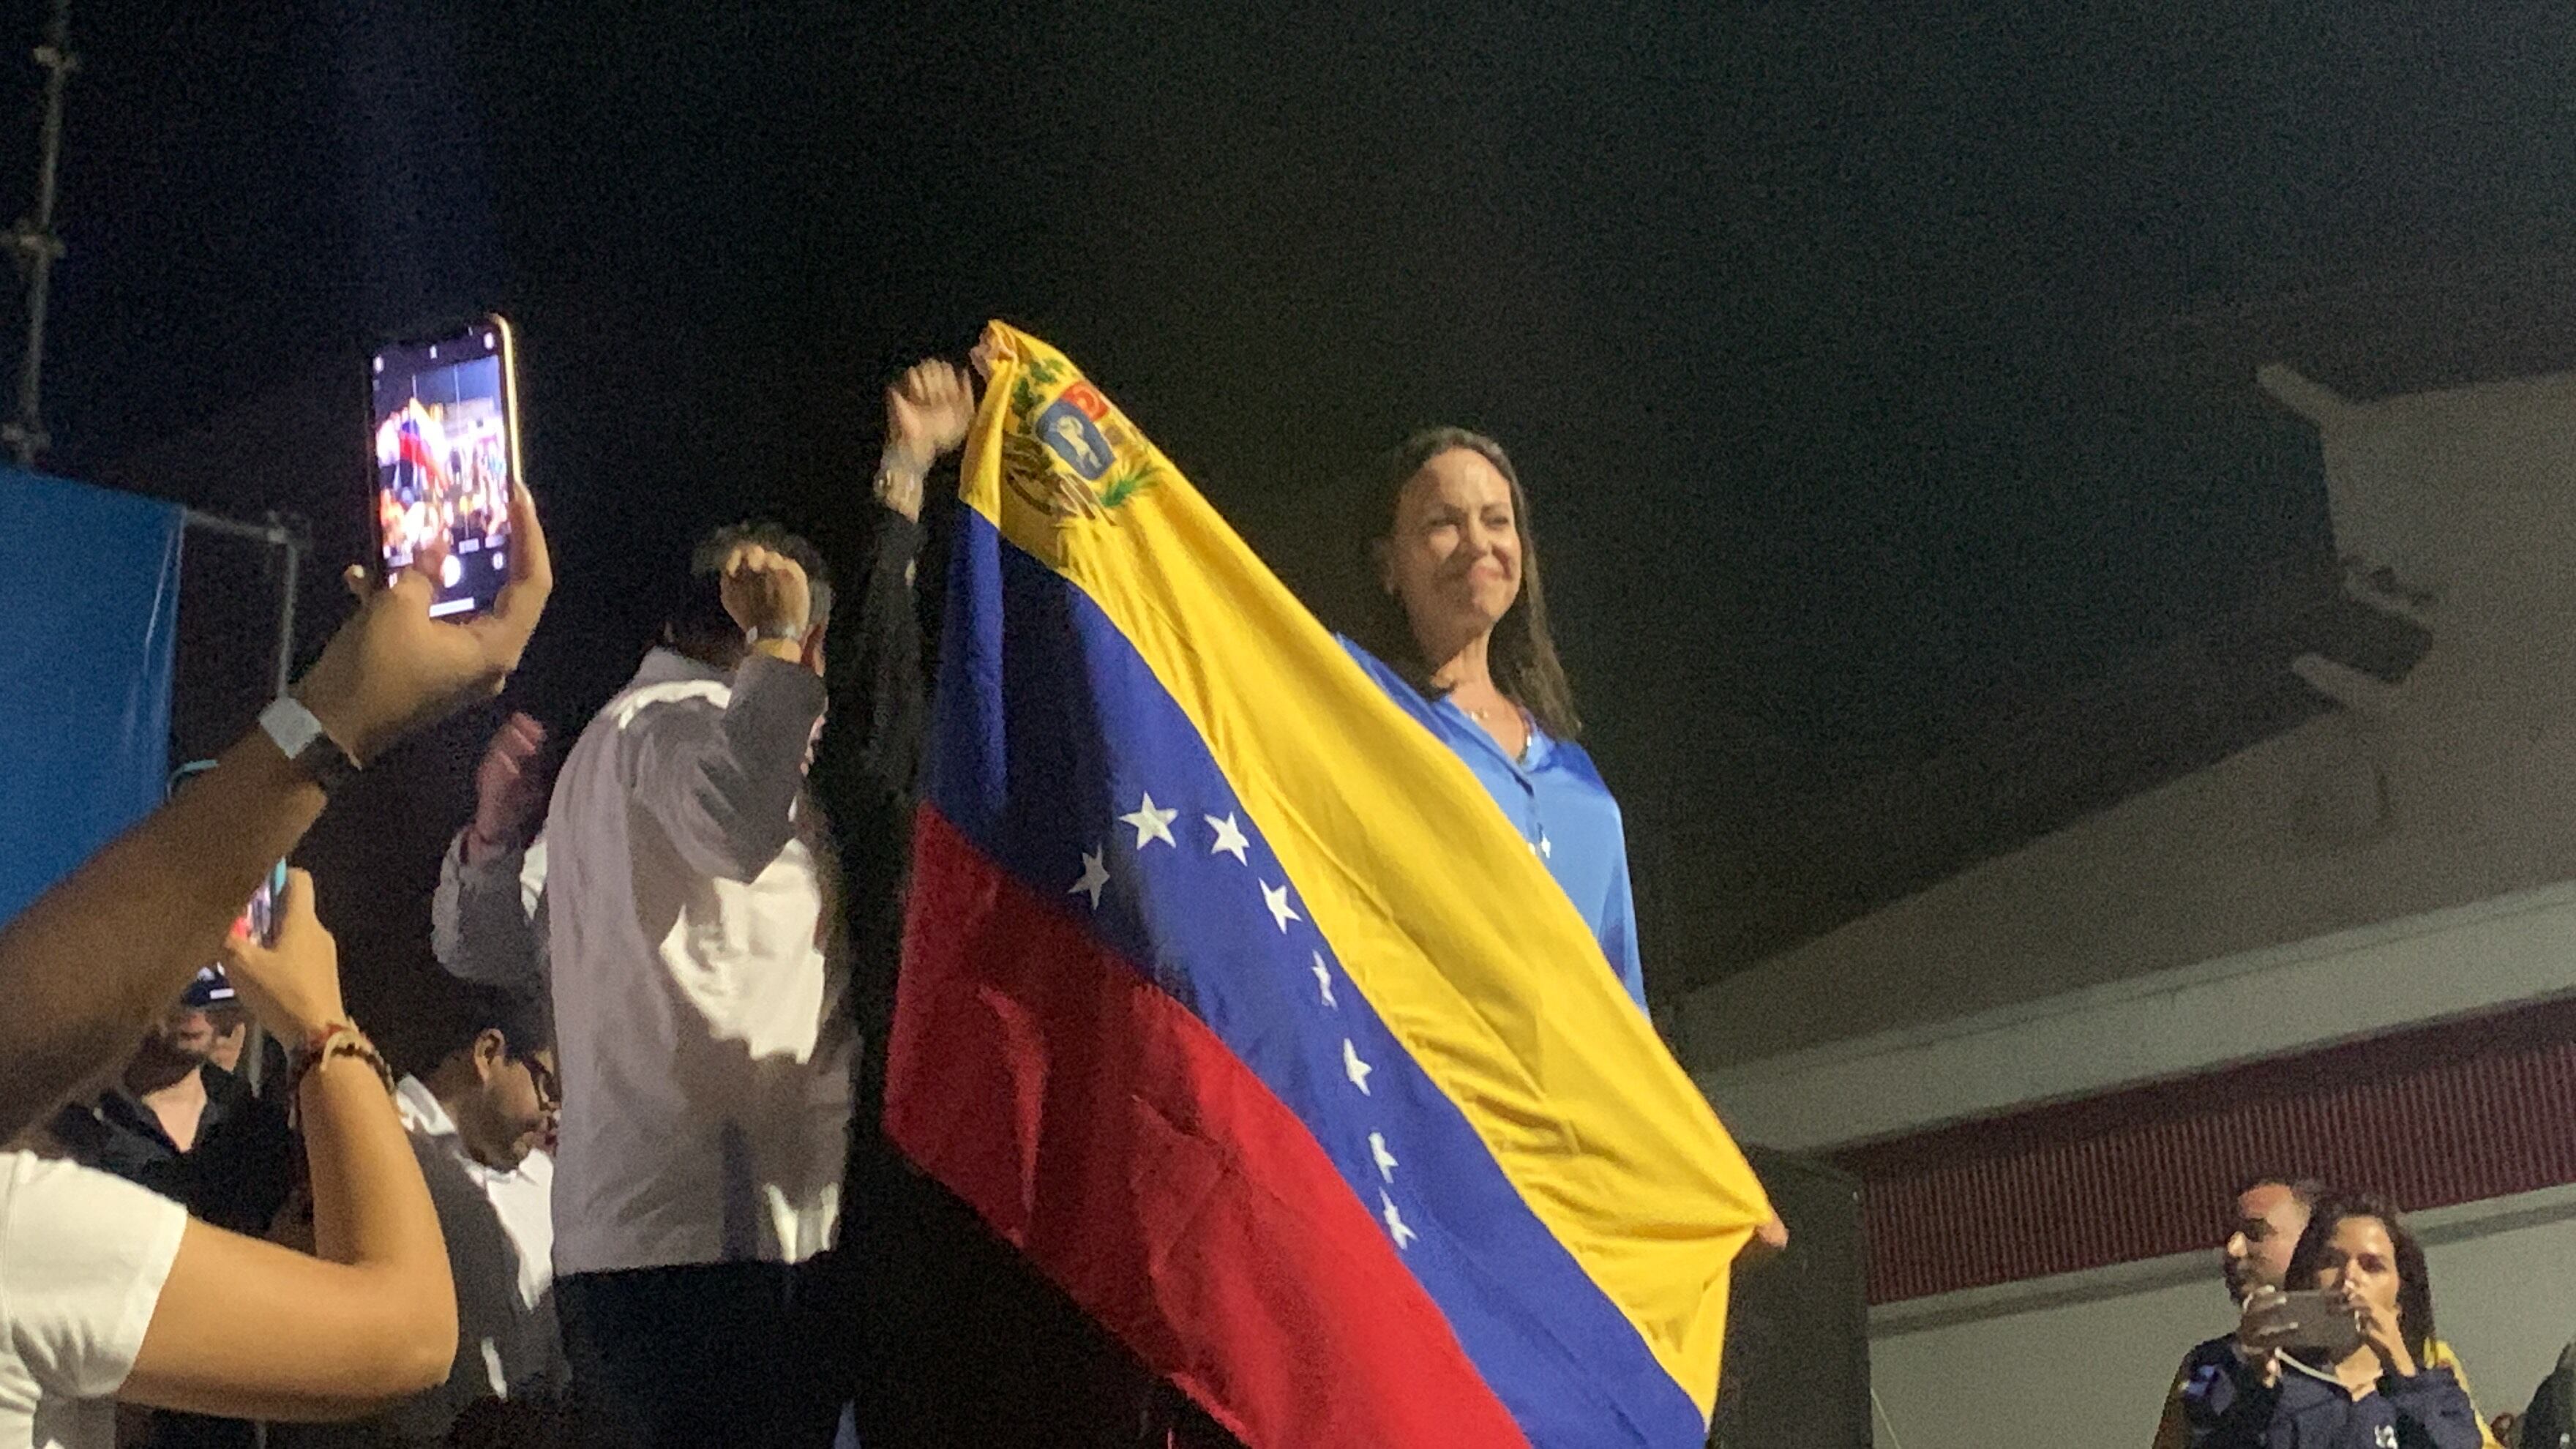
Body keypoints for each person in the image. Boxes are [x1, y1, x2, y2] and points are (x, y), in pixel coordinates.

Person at [431, 360, 977, 1448]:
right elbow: (735, 816)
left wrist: (491, 839)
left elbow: (483, 947)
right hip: (715, 1254)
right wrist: (775, 650)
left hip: (642, 1254)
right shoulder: (674, 728)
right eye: (805, 653)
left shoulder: (614, 752)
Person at [0, 483, 548, 1446]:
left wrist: (338, 710)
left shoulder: (235, 1130)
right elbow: (407, 1334)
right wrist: (323, 1030)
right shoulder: (26, 1237)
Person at [274, 980, 566, 1448]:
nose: (554, 1113)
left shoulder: (546, 1180)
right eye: (549, 1087)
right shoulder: (376, 1144)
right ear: (488, 1055)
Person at [2156, 1177, 2501, 1449]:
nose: (2349, 1278)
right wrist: (2255, 1384)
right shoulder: (2213, 1363)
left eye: (2257, 1233)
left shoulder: (2432, 1367)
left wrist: (2403, 1373)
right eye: (2331, 1261)